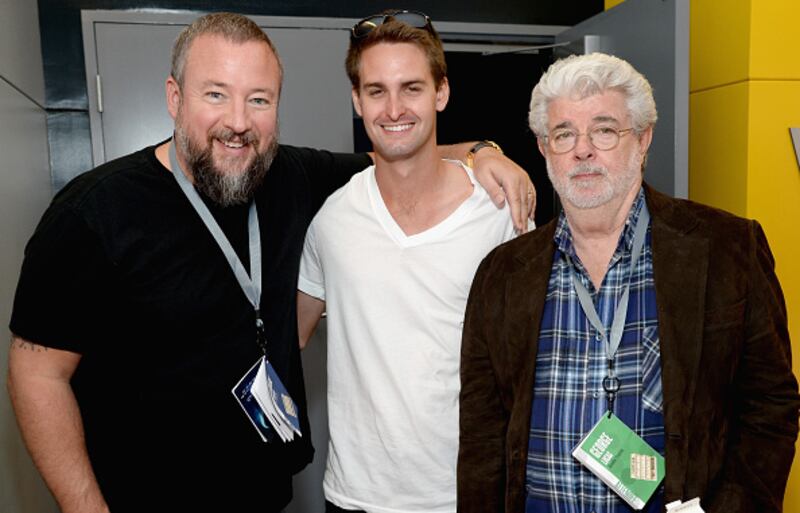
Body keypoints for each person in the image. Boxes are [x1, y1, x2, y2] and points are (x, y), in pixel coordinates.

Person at [5, 12, 535, 513]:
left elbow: (398, 149)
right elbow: (36, 374)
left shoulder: (291, 177)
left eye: (258, 99)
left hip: (264, 494)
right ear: (175, 97)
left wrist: (483, 152)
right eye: (216, 94)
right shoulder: (93, 213)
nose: (238, 122)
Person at [458, 52, 800, 513]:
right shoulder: (501, 274)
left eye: (603, 130)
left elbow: (770, 407)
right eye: (564, 134)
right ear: (543, 148)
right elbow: (481, 437)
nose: (582, 150)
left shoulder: (726, 249)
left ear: (643, 138)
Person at [296, 11, 531, 513]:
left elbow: (539, 354)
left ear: (441, 92)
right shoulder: (332, 219)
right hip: (355, 496)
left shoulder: (499, 213)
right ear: (357, 101)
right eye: (376, 91)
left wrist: (486, 151)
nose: (394, 108)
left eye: (412, 88)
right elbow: (288, 336)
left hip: (466, 493)